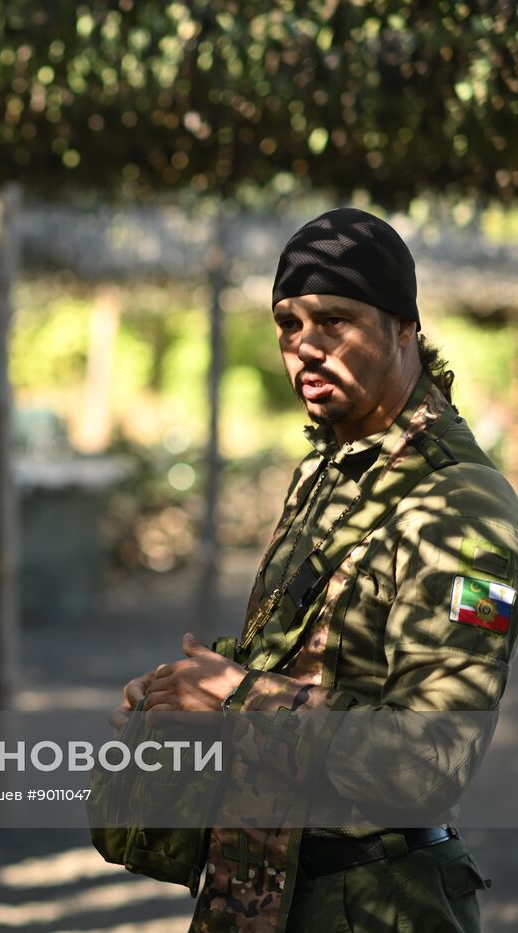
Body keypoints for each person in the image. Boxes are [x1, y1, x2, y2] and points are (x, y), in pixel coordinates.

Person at [115, 208, 518, 932]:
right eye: (288, 325)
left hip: (373, 903)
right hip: (262, 891)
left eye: (333, 320)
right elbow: (301, 662)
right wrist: (188, 691)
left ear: (404, 327)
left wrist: (237, 696)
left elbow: (432, 762)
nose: (305, 348)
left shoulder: (464, 503)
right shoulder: (327, 471)